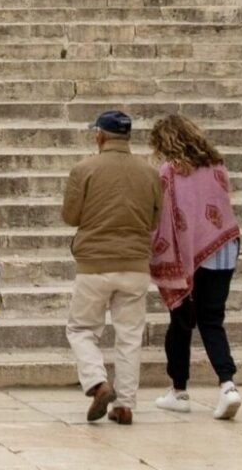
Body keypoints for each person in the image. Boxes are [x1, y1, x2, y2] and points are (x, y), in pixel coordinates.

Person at [62, 109, 161, 426]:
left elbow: (71, 216)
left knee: (81, 329)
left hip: (94, 264)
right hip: (134, 264)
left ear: (100, 135)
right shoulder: (149, 173)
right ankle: (125, 404)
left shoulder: (84, 169)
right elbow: (155, 220)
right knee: (130, 336)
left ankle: (97, 382)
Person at [148, 113, 242, 421]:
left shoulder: (170, 173)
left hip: (189, 256)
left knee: (181, 320)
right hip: (224, 247)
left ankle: (178, 390)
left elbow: (164, 220)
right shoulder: (218, 166)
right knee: (212, 320)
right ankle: (228, 385)